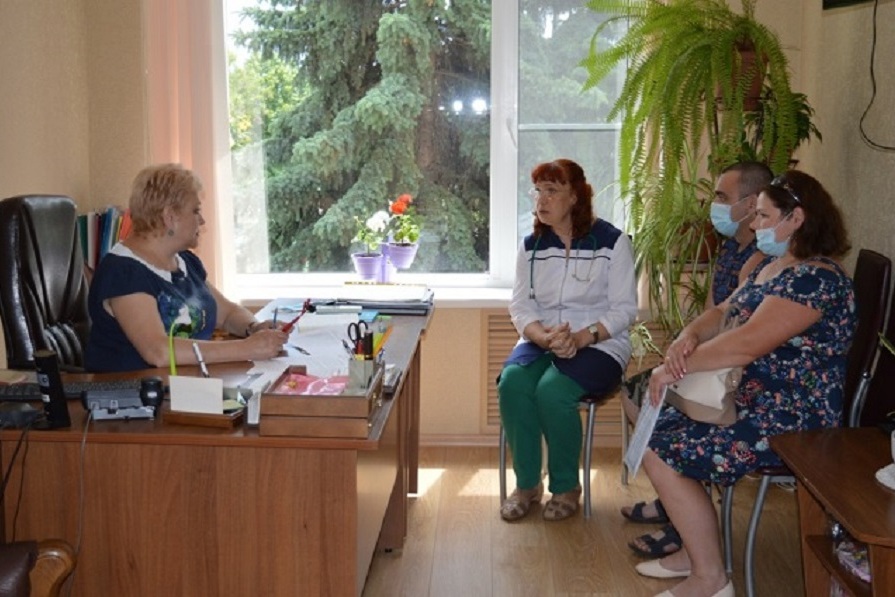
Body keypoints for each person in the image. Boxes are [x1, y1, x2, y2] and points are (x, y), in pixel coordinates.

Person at [629, 170, 855, 597]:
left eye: (765, 216)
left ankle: (710, 579)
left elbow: (746, 344)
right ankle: (694, 553)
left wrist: (674, 368)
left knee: (660, 445)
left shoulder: (817, 280)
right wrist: (686, 338)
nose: (754, 224)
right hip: (753, 395)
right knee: (657, 423)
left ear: (796, 219)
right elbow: (722, 313)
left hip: (792, 416)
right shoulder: (774, 266)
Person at [622, 161, 773, 558]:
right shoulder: (729, 248)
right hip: (711, 361)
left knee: (661, 414)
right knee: (634, 392)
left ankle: (683, 523)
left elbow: (740, 336)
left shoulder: (763, 259)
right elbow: (714, 311)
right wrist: (684, 341)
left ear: (751, 204)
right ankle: (676, 500)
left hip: (734, 374)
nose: (714, 205)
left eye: (722, 196)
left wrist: (684, 365)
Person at [498, 158, 638, 522]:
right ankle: (527, 485)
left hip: (600, 342)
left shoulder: (612, 242)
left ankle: (565, 486)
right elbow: (520, 305)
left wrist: (582, 337)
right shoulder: (531, 246)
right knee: (512, 383)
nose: (541, 200)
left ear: (575, 197)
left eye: (552, 191)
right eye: (538, 191)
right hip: (542, 338)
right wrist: (542, 337)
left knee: (552, 391)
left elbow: (625, 309)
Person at [85, 163, 287, 372]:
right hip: (134, 388)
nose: (202, 220)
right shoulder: (123, 272)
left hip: (186, 383)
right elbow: (158, 351)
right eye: (196, 211)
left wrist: (254, 328)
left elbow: (227, 314)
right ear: (170, 217)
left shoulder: (185, 262)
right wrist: (246, 348)